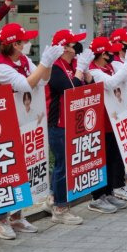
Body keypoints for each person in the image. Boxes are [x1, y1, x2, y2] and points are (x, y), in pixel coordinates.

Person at [0, 23, 64, 239]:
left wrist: (47, 63)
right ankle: (1, 220)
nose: (27, 43)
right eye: (23, 40)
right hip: (6, 126)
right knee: (6, 173)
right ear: (15, 43)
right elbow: (26, 84)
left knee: (24, 170)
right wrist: (44, 62)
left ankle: (17, 217)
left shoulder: (23, 60)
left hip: (26, 125)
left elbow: (44, 79)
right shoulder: (0, 67)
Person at [87, 37, 127, 212]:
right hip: (101, 122)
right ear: (103, 53)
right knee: (101, 160)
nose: (113, 54)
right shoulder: (94, 71)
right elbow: (111, 83)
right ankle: (98, 197)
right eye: (110, 51)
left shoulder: (110, 66)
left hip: (114, 120)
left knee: (113, 158)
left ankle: (110, 192)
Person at [45, 29, 93, 225]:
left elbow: (89, 85)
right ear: (64, 47)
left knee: (66, 164)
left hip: (74, 122)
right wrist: (80, 71)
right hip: (59, 124)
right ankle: (60, 207)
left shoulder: (73, 64)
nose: (77, 50)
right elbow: (69, 89)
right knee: (62, 165)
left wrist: (85, 70)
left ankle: (53, 198)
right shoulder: (55, 67)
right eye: (74, 45)